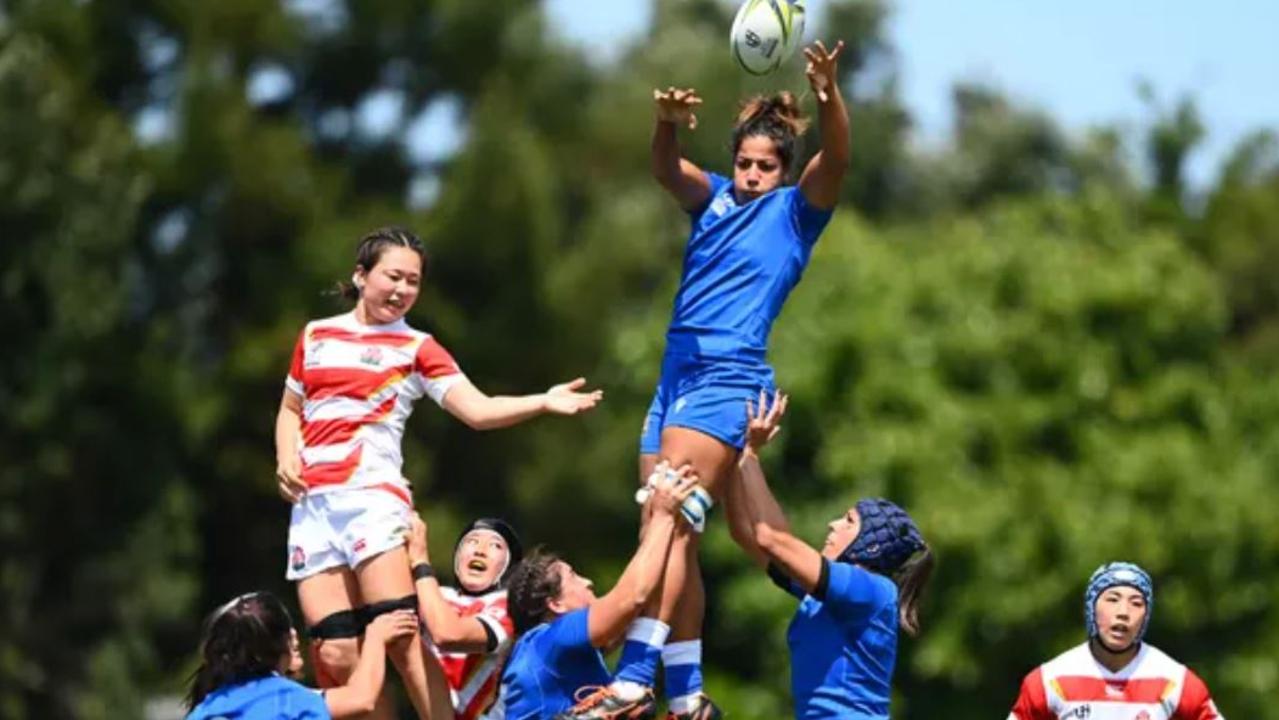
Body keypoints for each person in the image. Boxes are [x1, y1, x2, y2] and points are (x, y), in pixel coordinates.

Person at [607, 39, 851, 719]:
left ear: (784, 172)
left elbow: (839, 156)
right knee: (656, 530)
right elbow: (664, 168)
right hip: (673, 376)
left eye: (764, 167)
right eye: (742, 162)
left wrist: (828, 93)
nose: (749, 175)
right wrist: (663, 122)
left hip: (727, 375)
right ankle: (685, 696)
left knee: (673, 521)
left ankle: (634, 678)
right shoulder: (712, 197)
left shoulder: (797, 215)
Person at [275, 226, 603, 719]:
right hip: (313, 509)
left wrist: (543, 400)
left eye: (413, 281)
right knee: (334, 653)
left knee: (402, 636)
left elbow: (478, 410)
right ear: (360, 276)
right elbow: (289, 409)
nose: (403, 290)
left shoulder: (417, 347)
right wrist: (285, 456)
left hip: (373, 502)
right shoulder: (316, 335)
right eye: (393, 276)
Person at [725, 391, 934, 720]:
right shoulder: (824, 597)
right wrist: (730, 455)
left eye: (849, 520)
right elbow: (744, 532)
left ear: (872, 543)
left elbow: (771, 538)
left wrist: (750, 454)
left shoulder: (871, 590)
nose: (833, 524)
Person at [496, 466, 699, 720]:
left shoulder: (552, 654)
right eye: (574, 577)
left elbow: (649, 590)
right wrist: (665, 516)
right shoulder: (550, 639)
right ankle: (675, 693)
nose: (588, 582)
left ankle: (679, 696)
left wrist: (666, 520)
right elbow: (633, 597)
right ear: (556, 604)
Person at [1007, 562, 1225, 719]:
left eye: (1136, 603)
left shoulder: (1176, 682)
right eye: (1112, 599)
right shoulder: (1049, 681)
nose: (1123, 612)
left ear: (1146, 616)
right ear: (1092, 608)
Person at [185, 591, 417, 720]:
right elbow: (361, 699)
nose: (295, 635)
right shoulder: (286, 699)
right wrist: (375, 637)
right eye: (289, 630)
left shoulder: (206, 707)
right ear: (280, 643)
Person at [403, 513, 524, 720]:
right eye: (471, 542)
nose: (480, 550)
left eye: (495, 546)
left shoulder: (508, 607)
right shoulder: (435, 593)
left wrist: (420, 561)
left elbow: (447, 635)